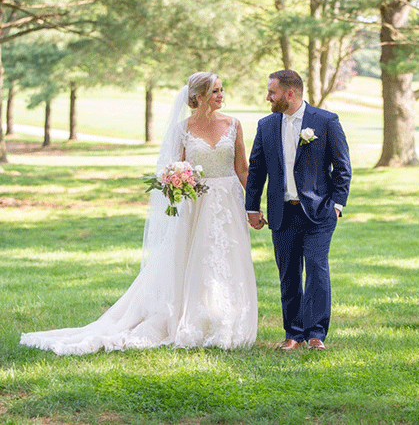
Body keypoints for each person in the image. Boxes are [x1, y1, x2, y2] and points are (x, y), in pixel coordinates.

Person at [20, 72, 257, 354]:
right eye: (215, 91)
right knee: (194, 259)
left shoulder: (234, 125)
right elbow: (174, 168)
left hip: (227, 203)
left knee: (226, 257)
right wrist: (177, 182)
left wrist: (252, 205)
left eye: (222, 89)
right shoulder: (183, 129)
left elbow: (242, 168)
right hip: (195, 205)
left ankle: (226, 317)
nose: (221, 95)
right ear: (199, 97)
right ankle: (191, 319)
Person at [245, 69, 351, 350]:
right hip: (282, 213)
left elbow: (342, 168)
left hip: (319, 212)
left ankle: (316, 334)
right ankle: (293, 334)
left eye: (272, 92)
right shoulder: (266, 125)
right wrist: (252, 207)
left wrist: (337, 205)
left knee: (317, 269)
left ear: (289, 94)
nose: (268, 97)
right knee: (288, 273)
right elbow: (256, 169)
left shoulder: (326, 121)